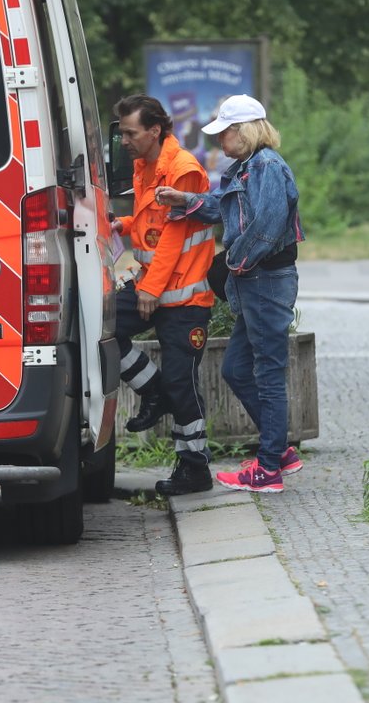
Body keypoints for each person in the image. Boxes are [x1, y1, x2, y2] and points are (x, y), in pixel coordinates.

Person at [155, 95, 304, 493]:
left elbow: (267, 229)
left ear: (244, 130)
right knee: (236, 369)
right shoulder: (249, 167)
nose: (220, 138)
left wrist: (233, 264)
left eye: (225, 131)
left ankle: (269, 469)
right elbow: (224, 207)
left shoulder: (267, 167)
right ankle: (281, 452)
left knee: (268, 374)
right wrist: (185, 201)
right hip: (255, 281)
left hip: (264, 281)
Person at [112, 95, 216, 496]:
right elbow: (149, 224)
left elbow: (173, 236)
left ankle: (194, 467)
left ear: (154, 131)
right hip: (152, 286)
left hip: (183, 298)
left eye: (130, 132)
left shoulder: (182, 169)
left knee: (181, 383)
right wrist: (119, 224)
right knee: (103, 331)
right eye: (121, 132)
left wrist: (151, 290)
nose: (123, 140)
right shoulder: (146, 165)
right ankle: (152, 391)